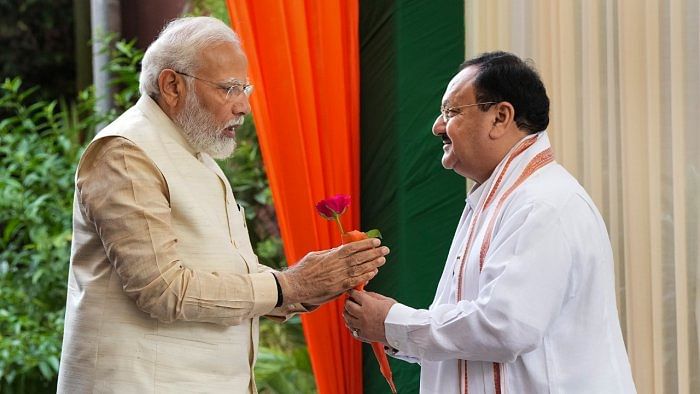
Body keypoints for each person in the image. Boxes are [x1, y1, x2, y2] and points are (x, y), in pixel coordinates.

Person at [57, 16, 389, 393]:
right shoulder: (125, 152)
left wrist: (307, 288)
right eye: (229, 89)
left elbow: (217, 270)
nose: (244, 107)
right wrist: (288, 286)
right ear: (172, 85)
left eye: (245, 89)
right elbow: (163, 289)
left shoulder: (195, 153)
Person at [344, 51, 636, 393]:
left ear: (500, 117)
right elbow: (473, 347)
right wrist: (391, 330)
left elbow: (506, 328)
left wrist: (394, 322)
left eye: (451, 112)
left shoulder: (543, 203)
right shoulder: (497, 198)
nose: (438, 126)